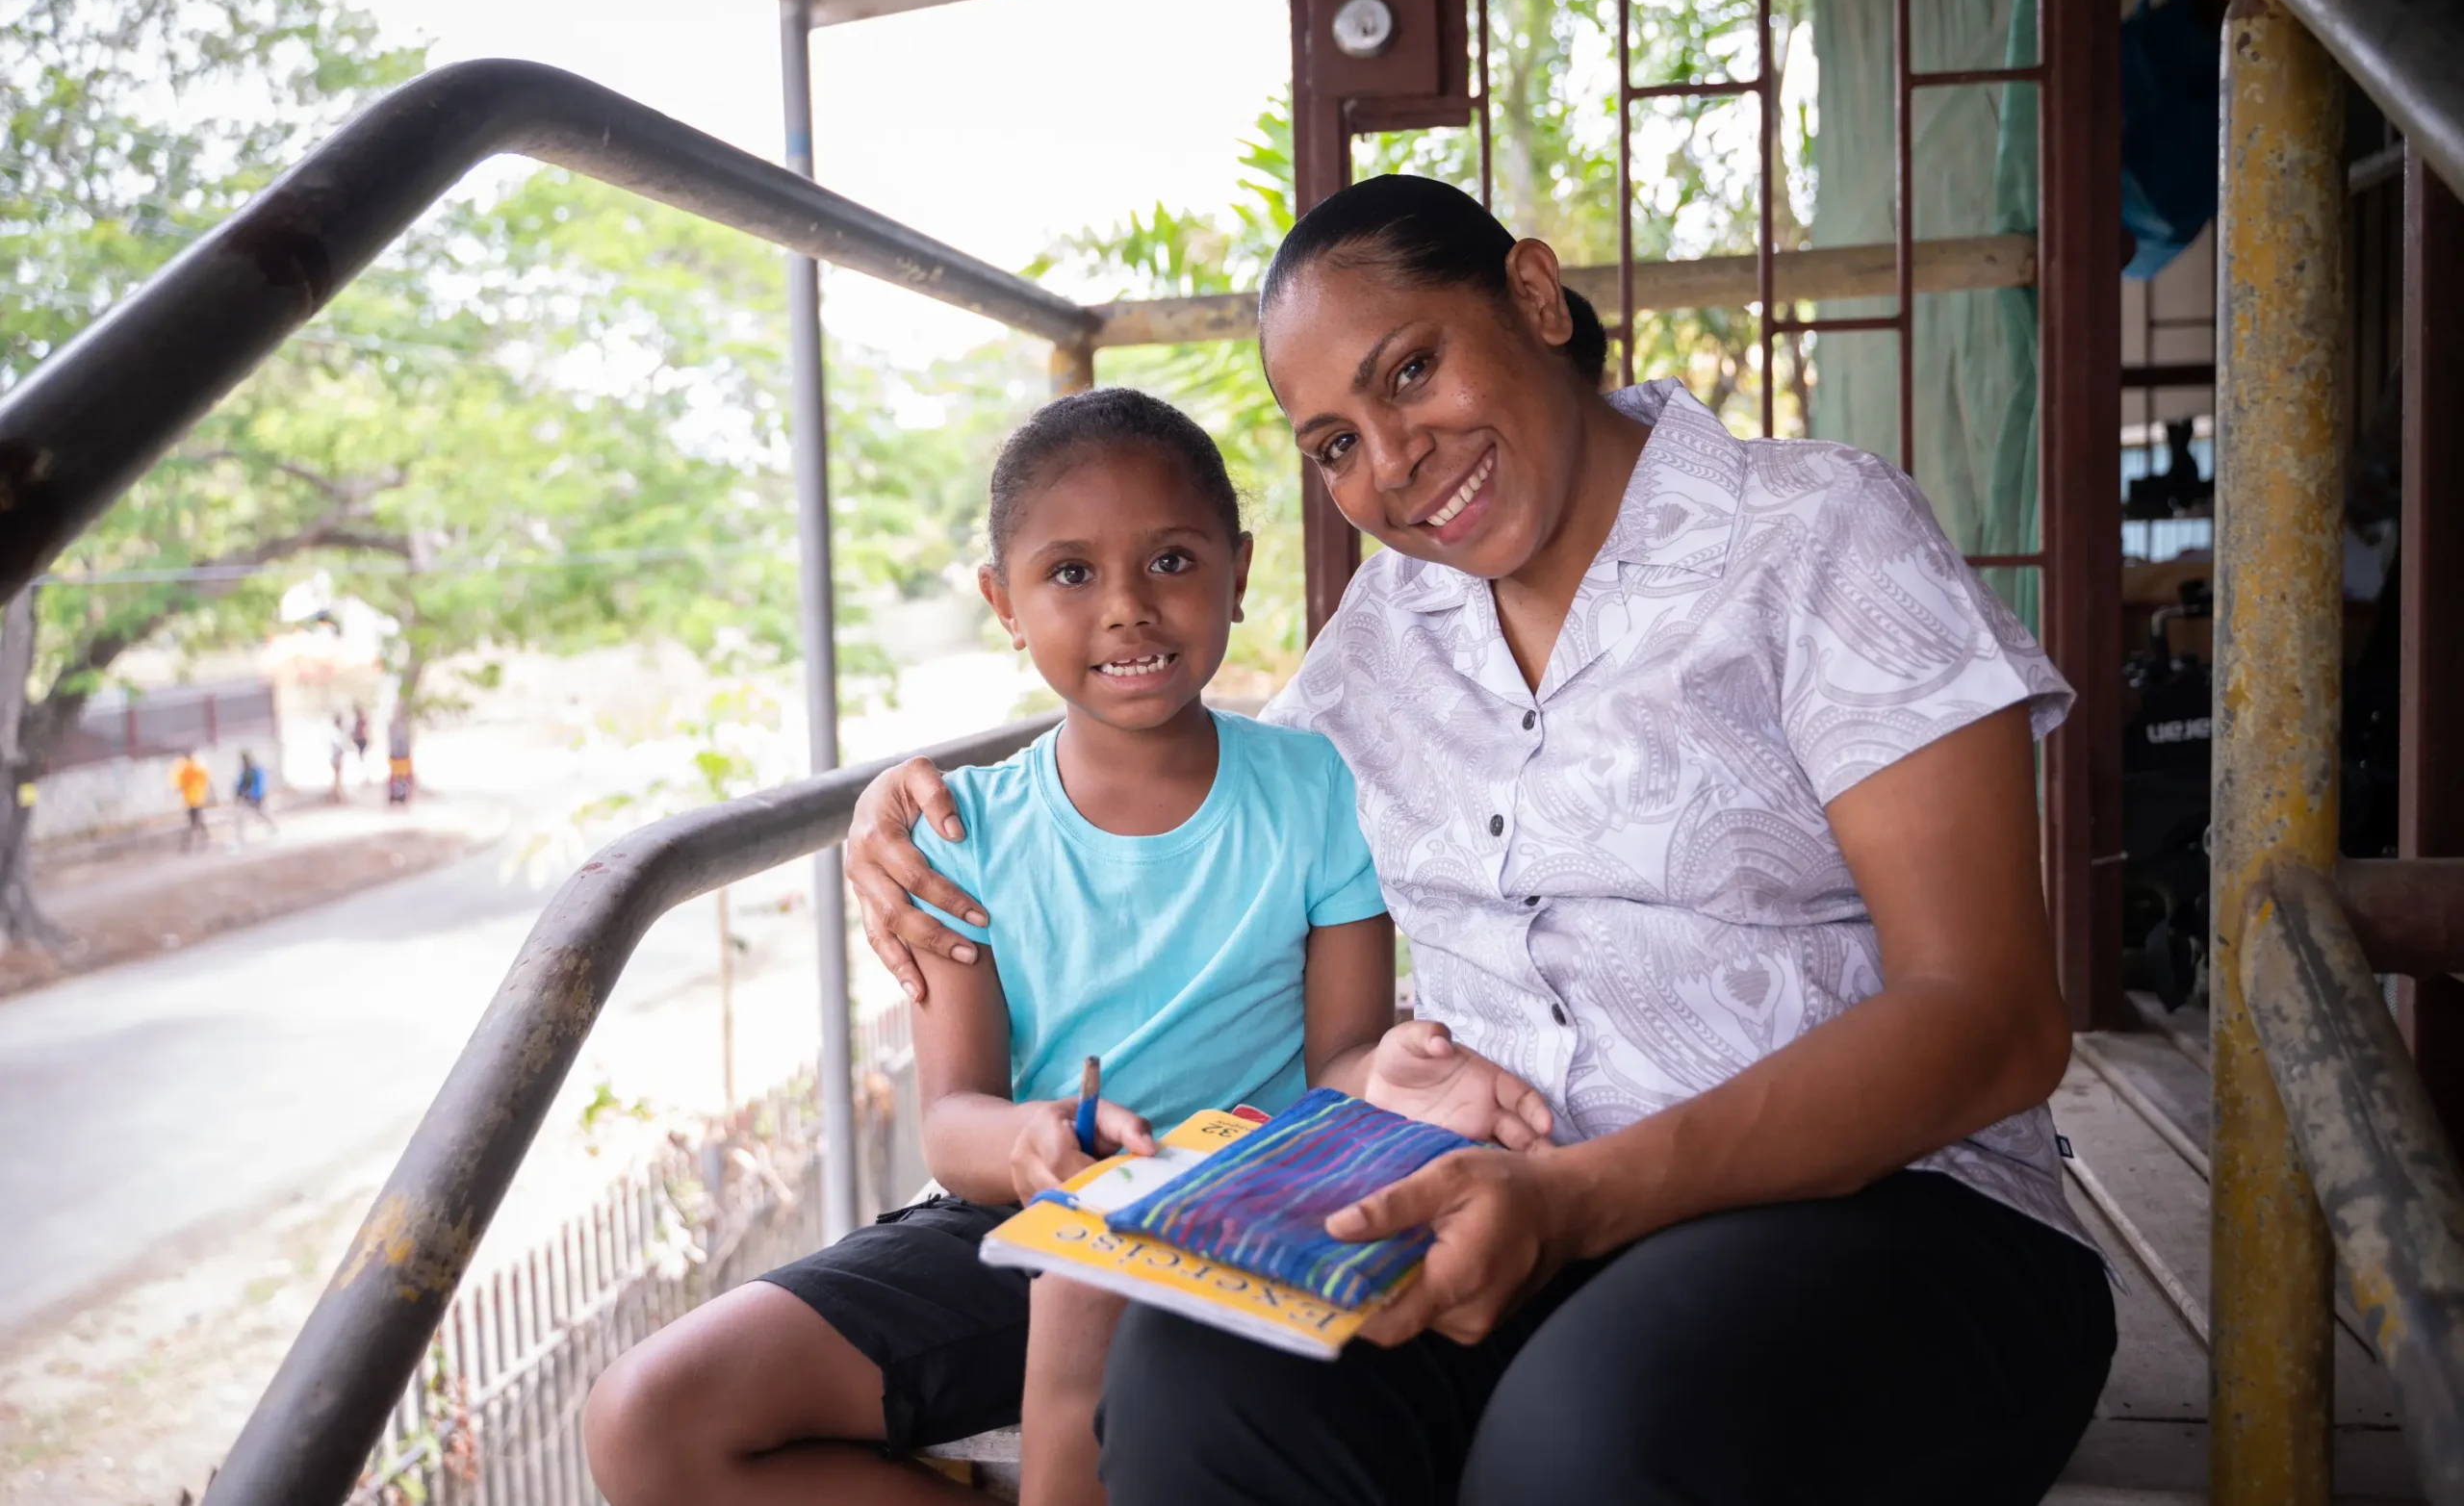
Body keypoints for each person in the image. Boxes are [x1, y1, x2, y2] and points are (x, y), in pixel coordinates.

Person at [848, 176, 2116, 1506]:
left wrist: (1578, 1199)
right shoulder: (1387, 640)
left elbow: (1995, 1015)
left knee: (1591, 1430)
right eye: (1334, 441)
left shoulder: (1815, 537)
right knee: (1194, 1373)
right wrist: (915, 809)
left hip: (1889, 1210)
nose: (1391, 462)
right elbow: (1165, 753)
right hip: (1497, 1208)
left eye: (1410, 370)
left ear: (1528, 294)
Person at [584, 389, 1528, 1506]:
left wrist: (1388, 1073)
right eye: (1071, 572)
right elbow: (953, 1121)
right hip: (1015, 1214)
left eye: (1172, 560)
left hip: (1241, 1218)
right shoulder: (957, 831)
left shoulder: (1317, 791)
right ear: (1004, 600)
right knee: (646, 1418)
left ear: (1238, 567)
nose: (1127, 607)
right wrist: (1034, 1145)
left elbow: (1341, 1063)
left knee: (1090, 1304)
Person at [171, 751, 212, 852]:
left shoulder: (184, 767)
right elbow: (205, 777)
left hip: (191, 799)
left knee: (193, 822)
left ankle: (188, 844)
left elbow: (178, 783)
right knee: (196, 821)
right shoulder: (197, 766)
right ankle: (203, 839)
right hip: (197, 798)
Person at [231, 750, 275, 841]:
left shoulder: (256, 770)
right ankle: (239, 834)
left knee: (262, 813)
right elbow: (241, 784)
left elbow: (259, 785)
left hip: (257, 797)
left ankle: (272, 826)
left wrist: (253, 794)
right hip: (247, 797)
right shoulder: (245, 771)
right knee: (240, 815)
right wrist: (238, 793)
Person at [325, 714, 348, 803]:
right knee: (337, 779)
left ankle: (335, 796)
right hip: (336, 758)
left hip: (336, 758)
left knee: (337, 779)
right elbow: (339, 745)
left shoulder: (336, 732)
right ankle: (336, 796)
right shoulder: (337, 732)